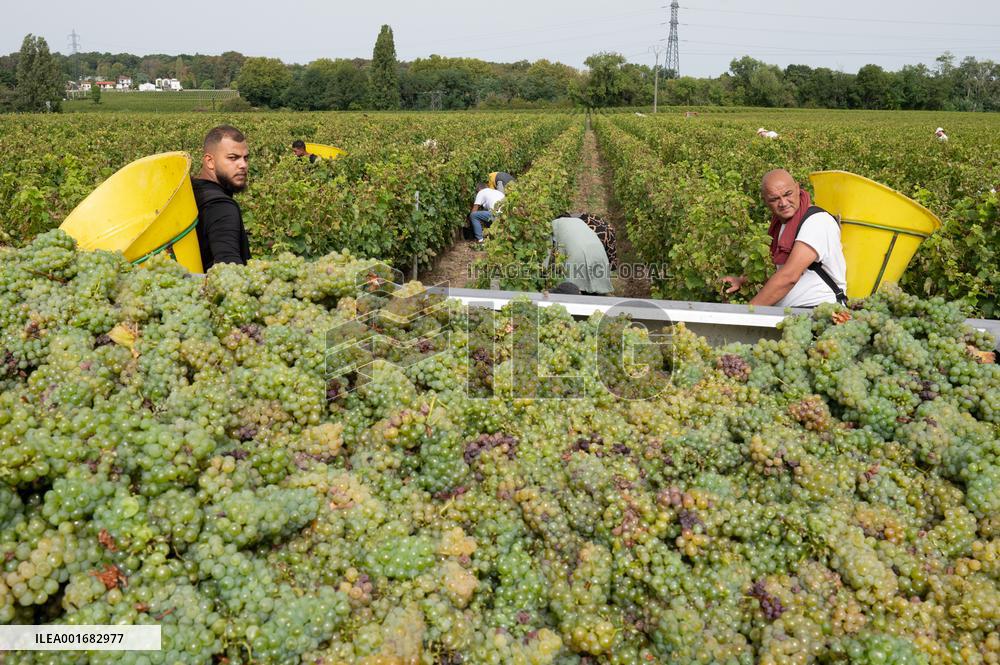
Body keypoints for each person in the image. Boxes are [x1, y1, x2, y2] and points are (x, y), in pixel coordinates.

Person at [722, 169, 847, 308]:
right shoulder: (784, 225)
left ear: (797, 188)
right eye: (774, 199)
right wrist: (742, 280)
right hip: (793, 315)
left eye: (788, 194)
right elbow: (779, 268)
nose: (783, 203)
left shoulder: (817, 222)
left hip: (819, 312)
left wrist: (746, 315)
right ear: (765, 200)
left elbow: (788, 277)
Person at [192, 125, 251, 271]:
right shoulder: (221, 206)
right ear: (210, 161)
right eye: (233, 158)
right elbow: (228, 266)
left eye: (246, 158)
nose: (243, 165)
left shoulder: (192, 189)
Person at [551, 216, 613, 295]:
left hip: (578, 254)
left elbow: (557, 255)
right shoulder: (579, 222)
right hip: (599, 252)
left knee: (574, 291)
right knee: (597, 292)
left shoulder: (554, 225)